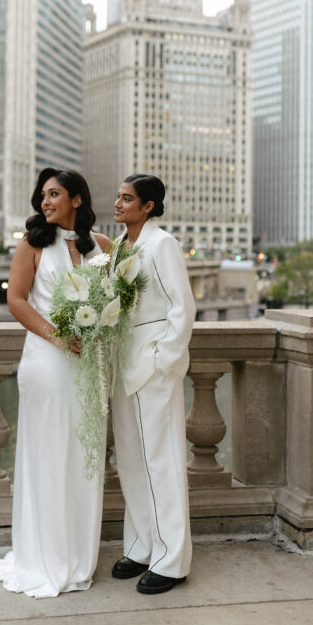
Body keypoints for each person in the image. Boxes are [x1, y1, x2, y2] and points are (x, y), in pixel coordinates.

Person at [0, 168, 112, 598]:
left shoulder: (102, 247)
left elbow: (114, 301)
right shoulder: (32, 244)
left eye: (55, 194)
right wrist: (57, 336)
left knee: (84, 455)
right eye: (43, 195)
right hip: (47, 362)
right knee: (51, 455)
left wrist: (101, 328)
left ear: (78, 199)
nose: (46, 202)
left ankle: (78, 556)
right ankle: (43, 556)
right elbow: (15, 300)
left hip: (90, 365)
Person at [110, 174, 196, 594]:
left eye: (128, 198)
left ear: (148, 205)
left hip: (153, 366)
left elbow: (183, 306)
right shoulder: (122, 247)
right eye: (119, 196)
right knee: (130, 459)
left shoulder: (163, 244)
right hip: (123, 365)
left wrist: (165, 360)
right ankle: (143, 545)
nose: (118, 203)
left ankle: (172, 559)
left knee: (162, 461)